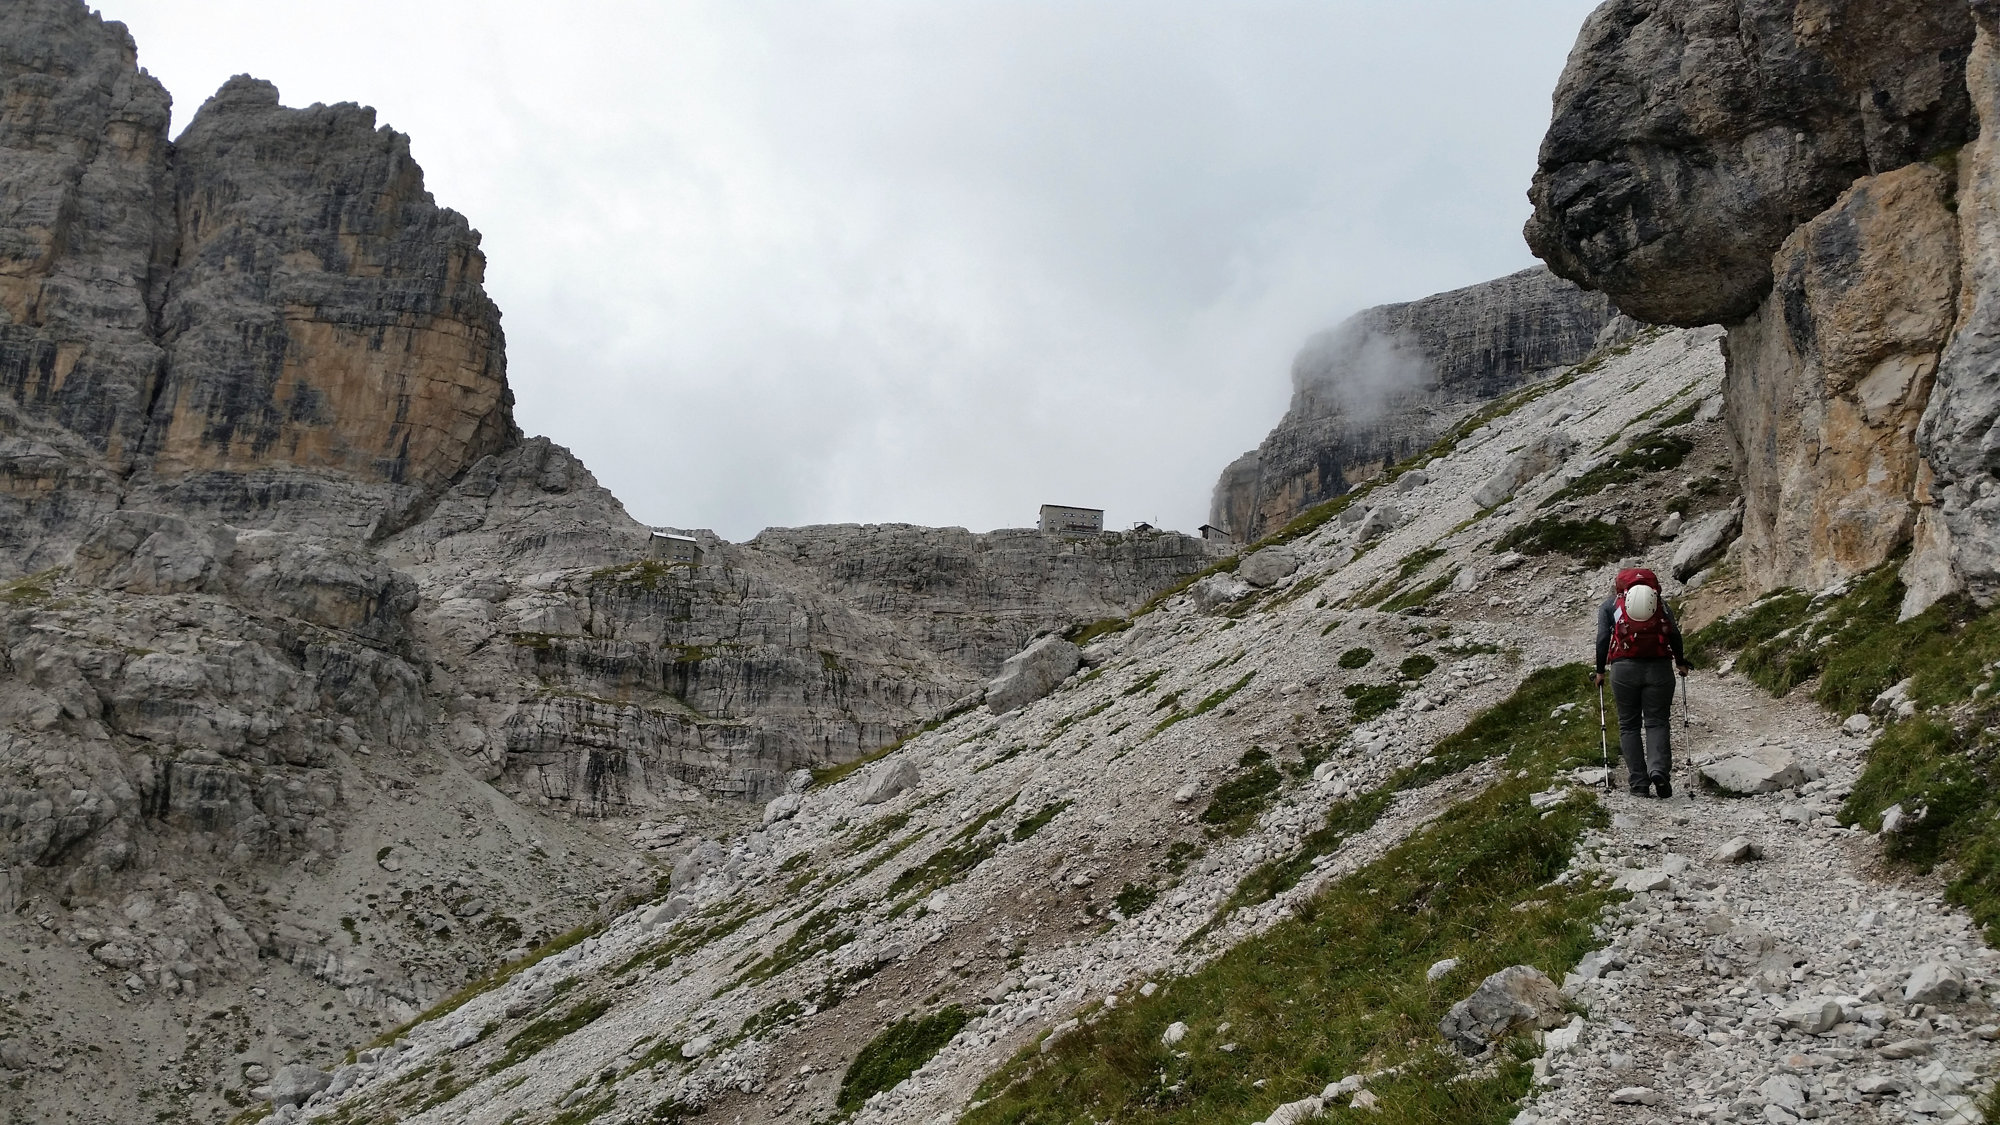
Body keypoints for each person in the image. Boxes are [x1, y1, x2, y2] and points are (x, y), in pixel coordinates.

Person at [1590, 567, 1691, 797]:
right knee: (1657, 722)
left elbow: (1603, 639)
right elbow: (1674, 634)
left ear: (1620, 587)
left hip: (1624, 670)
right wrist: (1680, 662)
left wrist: (1600, 671)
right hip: (1659, 669)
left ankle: (1639, 783)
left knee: (1629, 725)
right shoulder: (1660, 605)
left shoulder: (1610, 606)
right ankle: (1659, 772)